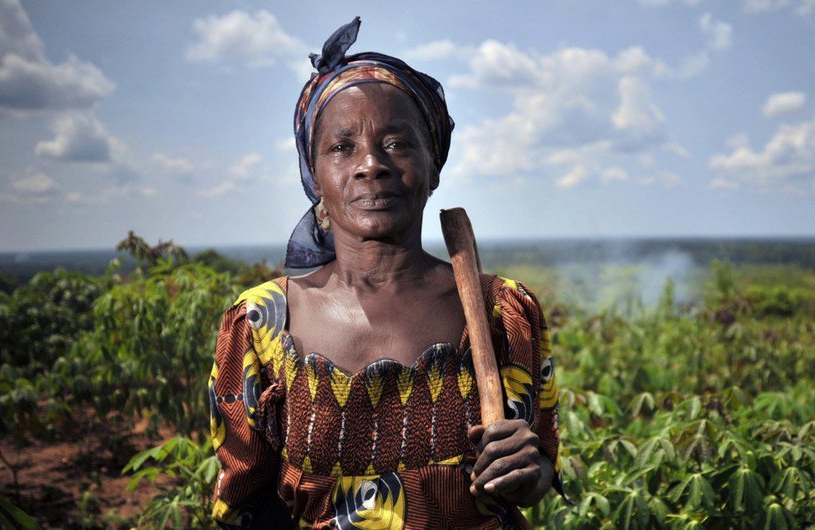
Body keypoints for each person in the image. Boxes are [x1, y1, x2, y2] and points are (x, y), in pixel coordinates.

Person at [207, 17, 563, 529]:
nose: (371, 164)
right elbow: (244, 502)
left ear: (433, 164)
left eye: (398, 143)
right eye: (342, 147)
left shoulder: (503, 311)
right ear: (315, 176)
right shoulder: (262, 323)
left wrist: (529, 472)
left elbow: (539, 472)